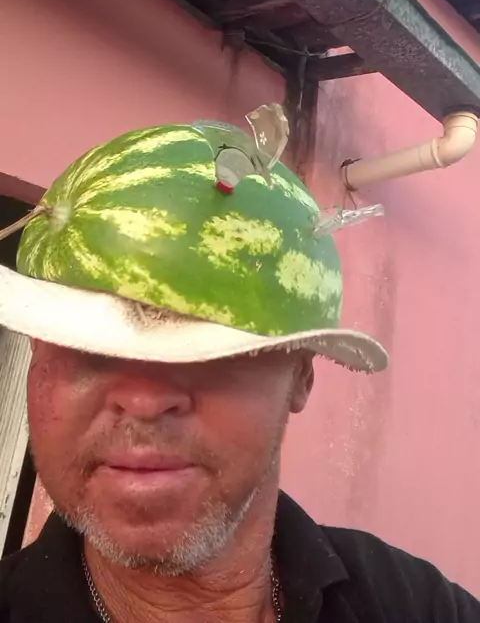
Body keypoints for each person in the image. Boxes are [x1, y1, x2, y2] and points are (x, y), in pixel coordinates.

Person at [0, 105, 478, 622]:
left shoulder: (417, 606)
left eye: (209, 350)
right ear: (37, 354)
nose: (143, 400)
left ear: (301, 374)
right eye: (86, 347)